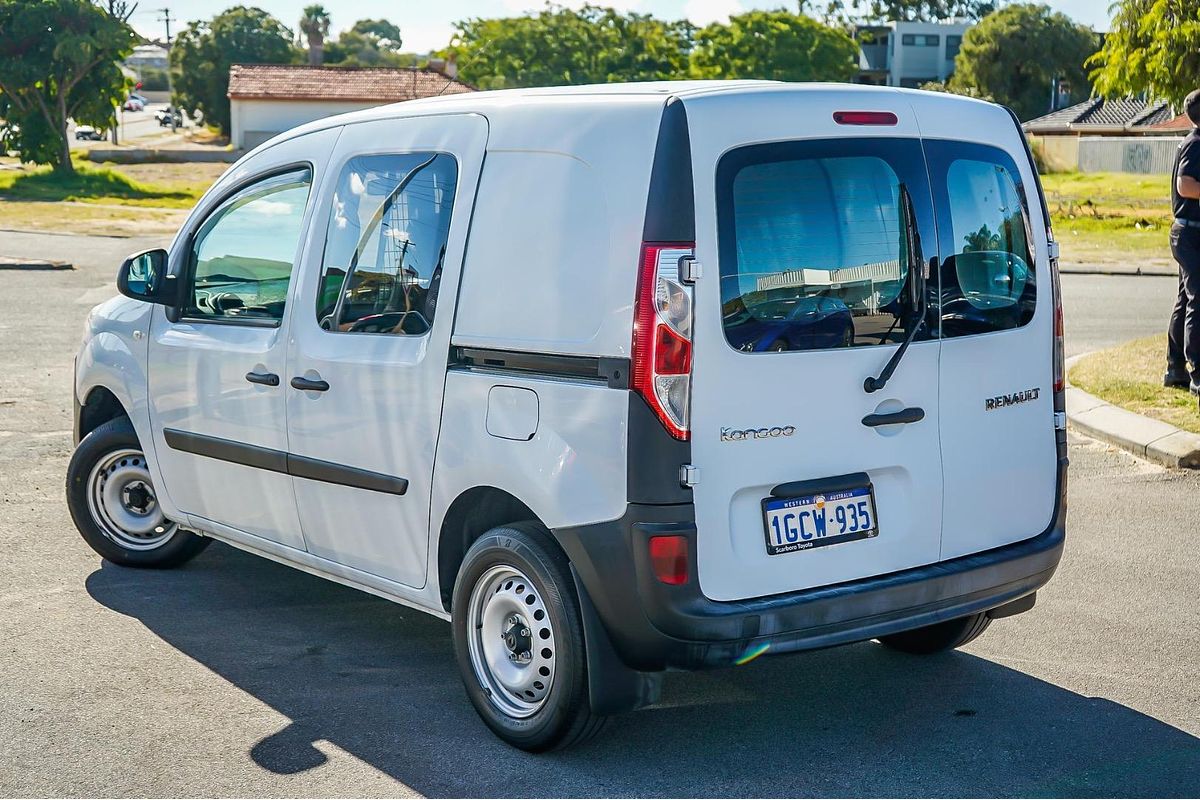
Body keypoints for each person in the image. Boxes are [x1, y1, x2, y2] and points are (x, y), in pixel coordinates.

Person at [1166, 88, 1200, 410]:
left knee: (1184, 299)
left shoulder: (1191, 141)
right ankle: (1196, 374)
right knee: (1197, 301)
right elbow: (1185, 185)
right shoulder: (1195, 143)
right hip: (1190, 234)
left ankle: (1174, 368)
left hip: (1186, 233)